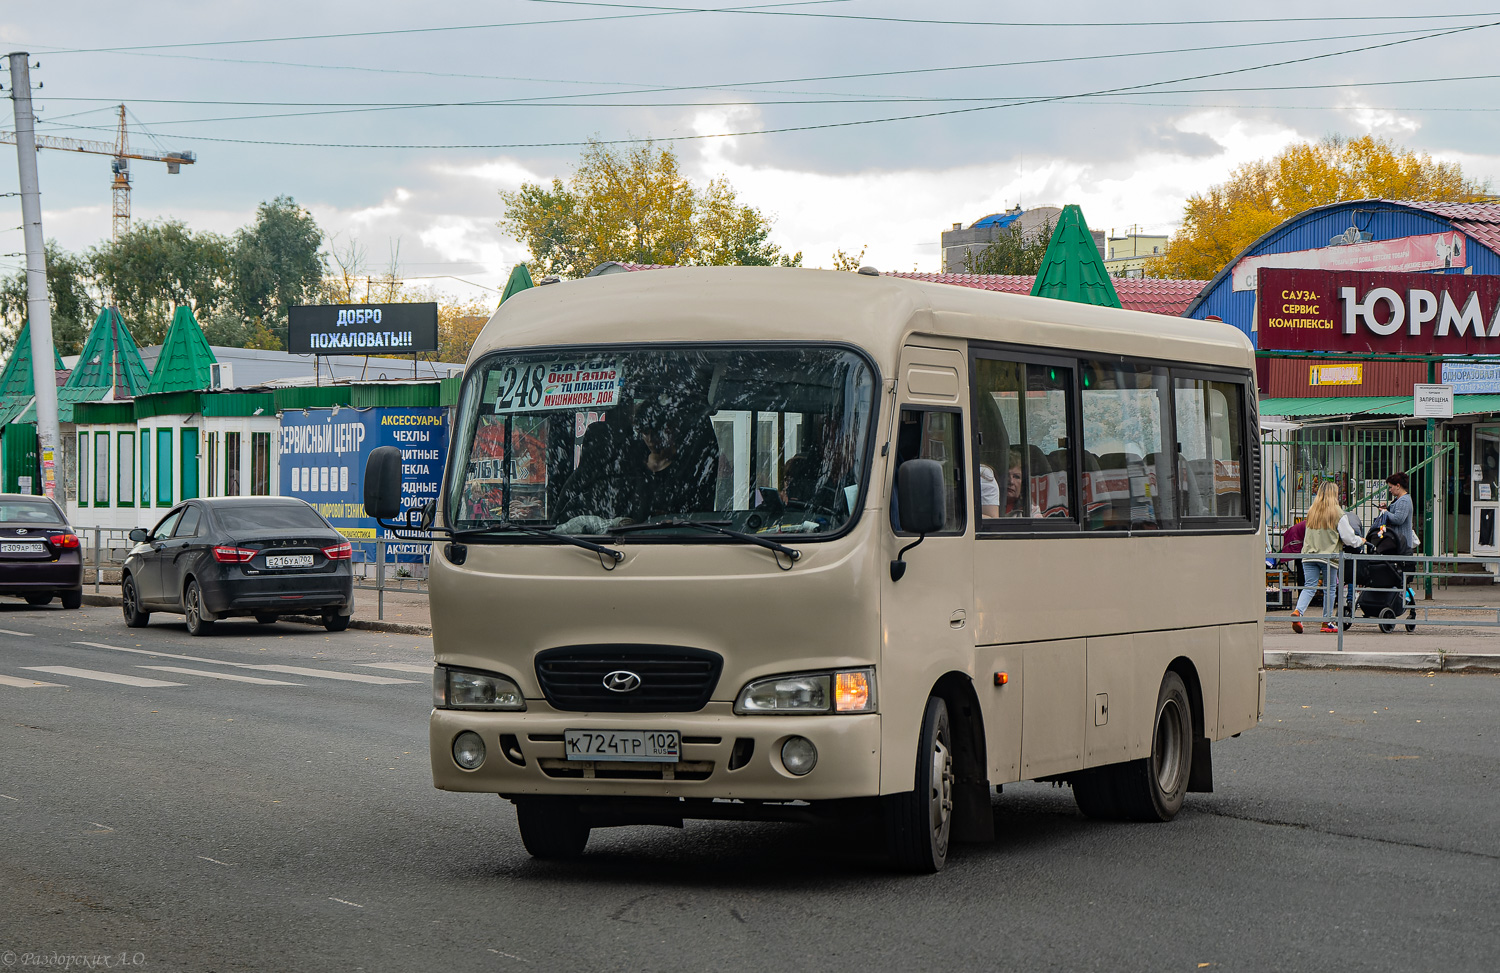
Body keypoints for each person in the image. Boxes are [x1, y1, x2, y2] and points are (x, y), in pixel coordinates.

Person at [1292, 481, 1343, 634]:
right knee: (1330, 588)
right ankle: (1326, 622)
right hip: (1328, 556)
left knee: (1309, 586)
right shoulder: (1337, 512)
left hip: (1308, 554)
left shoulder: (1312, 511)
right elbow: (1347, 536)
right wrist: (1360, 541)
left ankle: (1298, 613)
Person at [1376, 471, 1416, 555]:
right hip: (1397, 542)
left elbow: (1398, 519)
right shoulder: (1399, 499)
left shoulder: (1404, 501)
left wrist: (1385, 512)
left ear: (1398, 486)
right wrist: (1386, 509)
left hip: (1401, 543)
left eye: (1390, 487)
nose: (1389, 490)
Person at [1337, 501, 1365, 617]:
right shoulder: (1355, 516)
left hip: (1343, 544)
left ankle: (1338, 598)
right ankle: (1350, 600)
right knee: (1352, 574)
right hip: (1356, 542)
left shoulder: (1339, 516)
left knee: (1341, 572)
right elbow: (1361, 533)